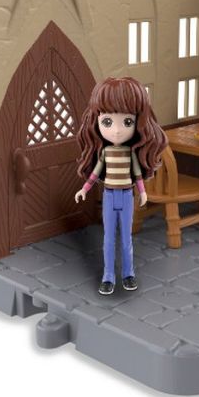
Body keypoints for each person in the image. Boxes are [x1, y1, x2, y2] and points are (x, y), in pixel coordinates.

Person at [75, 77, 167, 294]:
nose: (116, 131)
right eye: (107, 122)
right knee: (108, 238)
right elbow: (95, 173)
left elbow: (137, 174)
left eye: (127, 122)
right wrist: (84, 189)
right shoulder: (105, 152)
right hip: (109, 196)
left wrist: (142, 192)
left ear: (138, 122)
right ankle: (108, 276)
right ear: (96, 120)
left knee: (126, 238)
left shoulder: (130, 153)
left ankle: (128, 274)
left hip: (127, 196)